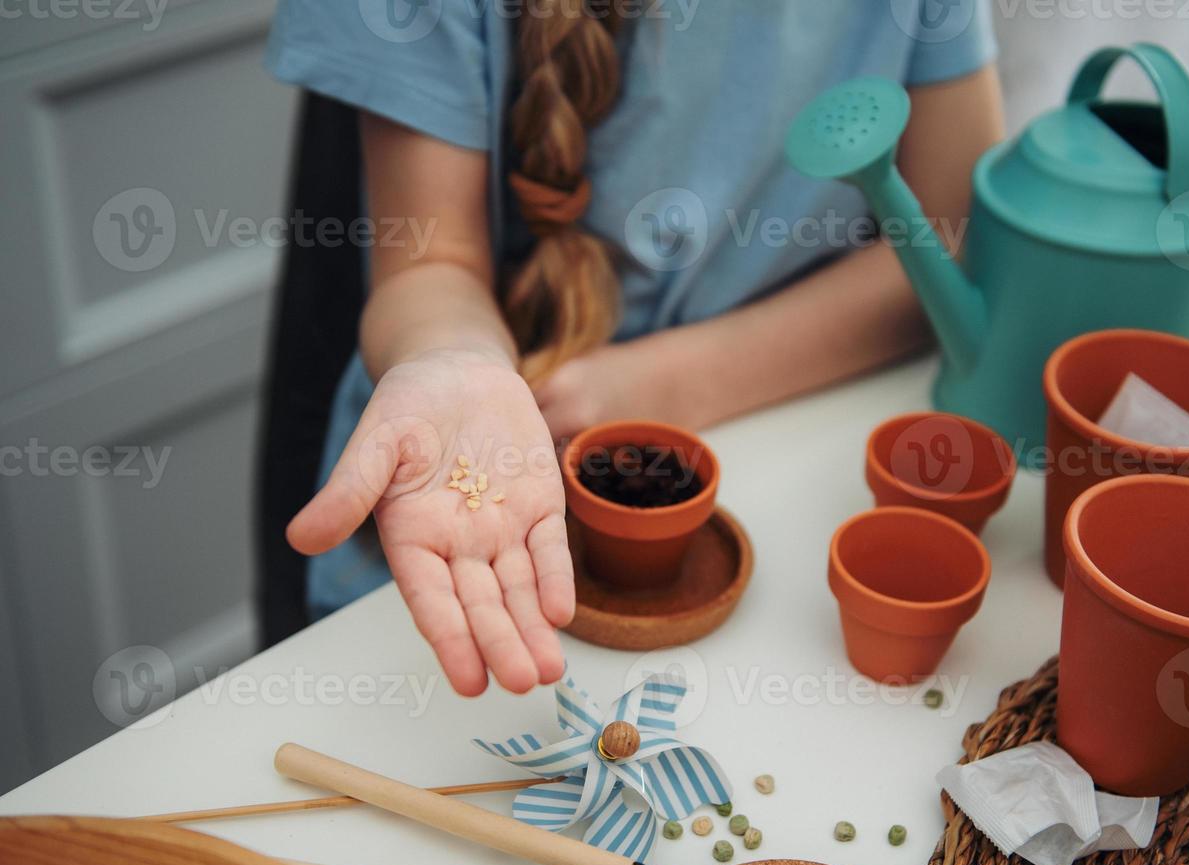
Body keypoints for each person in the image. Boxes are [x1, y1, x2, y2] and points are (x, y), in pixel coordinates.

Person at [266, 0, 1004, 698]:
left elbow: (950, 239)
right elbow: (432, 264)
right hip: (471, 541)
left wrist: (669, 383)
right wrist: (458, 363)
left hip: (794, 439)